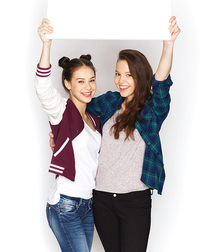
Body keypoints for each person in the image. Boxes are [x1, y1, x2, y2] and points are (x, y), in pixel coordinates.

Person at [49, 16, 181, 252]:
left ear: (140, 77)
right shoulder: (108, 103)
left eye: (128, 75)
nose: (121, 80)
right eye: (118, 74)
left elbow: (161, 82)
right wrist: (59, 138)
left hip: (136, 200)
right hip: (101, 199)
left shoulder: (152, 110)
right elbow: (76, 110)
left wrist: (168, 45)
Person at [35, 19, 102, 252]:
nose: (88, 87)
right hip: (65, 204)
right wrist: (46, 44)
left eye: (91, 80)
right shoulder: (62, 111)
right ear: (68, 84)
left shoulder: (94, 120)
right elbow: (43, 87)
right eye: (80, 81)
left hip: (87, 205)